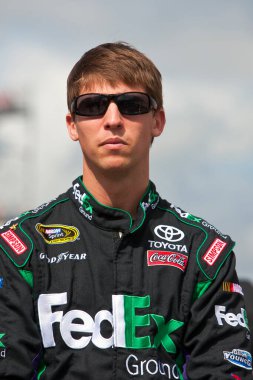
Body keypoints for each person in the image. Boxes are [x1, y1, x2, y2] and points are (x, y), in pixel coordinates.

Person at [0, 42, 251, 380]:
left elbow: (226, 371)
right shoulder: (19, 247)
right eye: (93, 106)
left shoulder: (205, 253)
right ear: (72, 124)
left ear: (157, 121)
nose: (113, 120)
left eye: (132, 105)